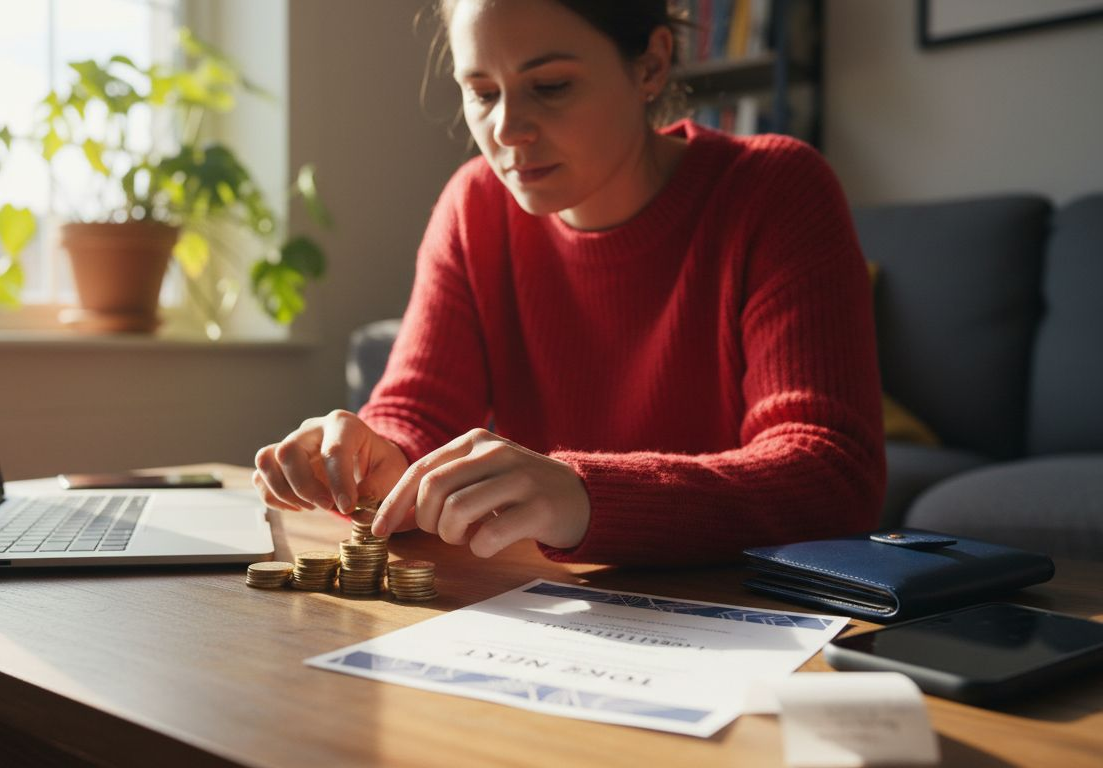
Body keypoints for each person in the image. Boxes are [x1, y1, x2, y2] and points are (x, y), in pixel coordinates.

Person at [252, 0, 885, 566]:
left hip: (739, 613)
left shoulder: (775, 190)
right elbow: (418, 410)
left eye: (550, 86)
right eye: (481, 92)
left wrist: (585, 494)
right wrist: (378, 456)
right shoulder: (474, 205)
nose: (506, 130)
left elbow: (831, 473)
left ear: (650, 66)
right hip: (555, 607)